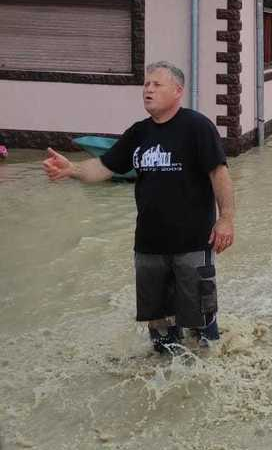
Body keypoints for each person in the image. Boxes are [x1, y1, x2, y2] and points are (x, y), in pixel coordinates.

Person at [42, 61, 235, 355]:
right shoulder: (138, 133)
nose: (148, 89)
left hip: (193, 244)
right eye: (146, 84)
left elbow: (218, 173)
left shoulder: (197, 127)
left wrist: (226, 220)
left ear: (178, 91)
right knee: (160, 331)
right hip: (148, 246)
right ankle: (164, 380)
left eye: (157, 84)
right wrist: (73, 170)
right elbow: (105, 167)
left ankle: (210, 379)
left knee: (202, 326)